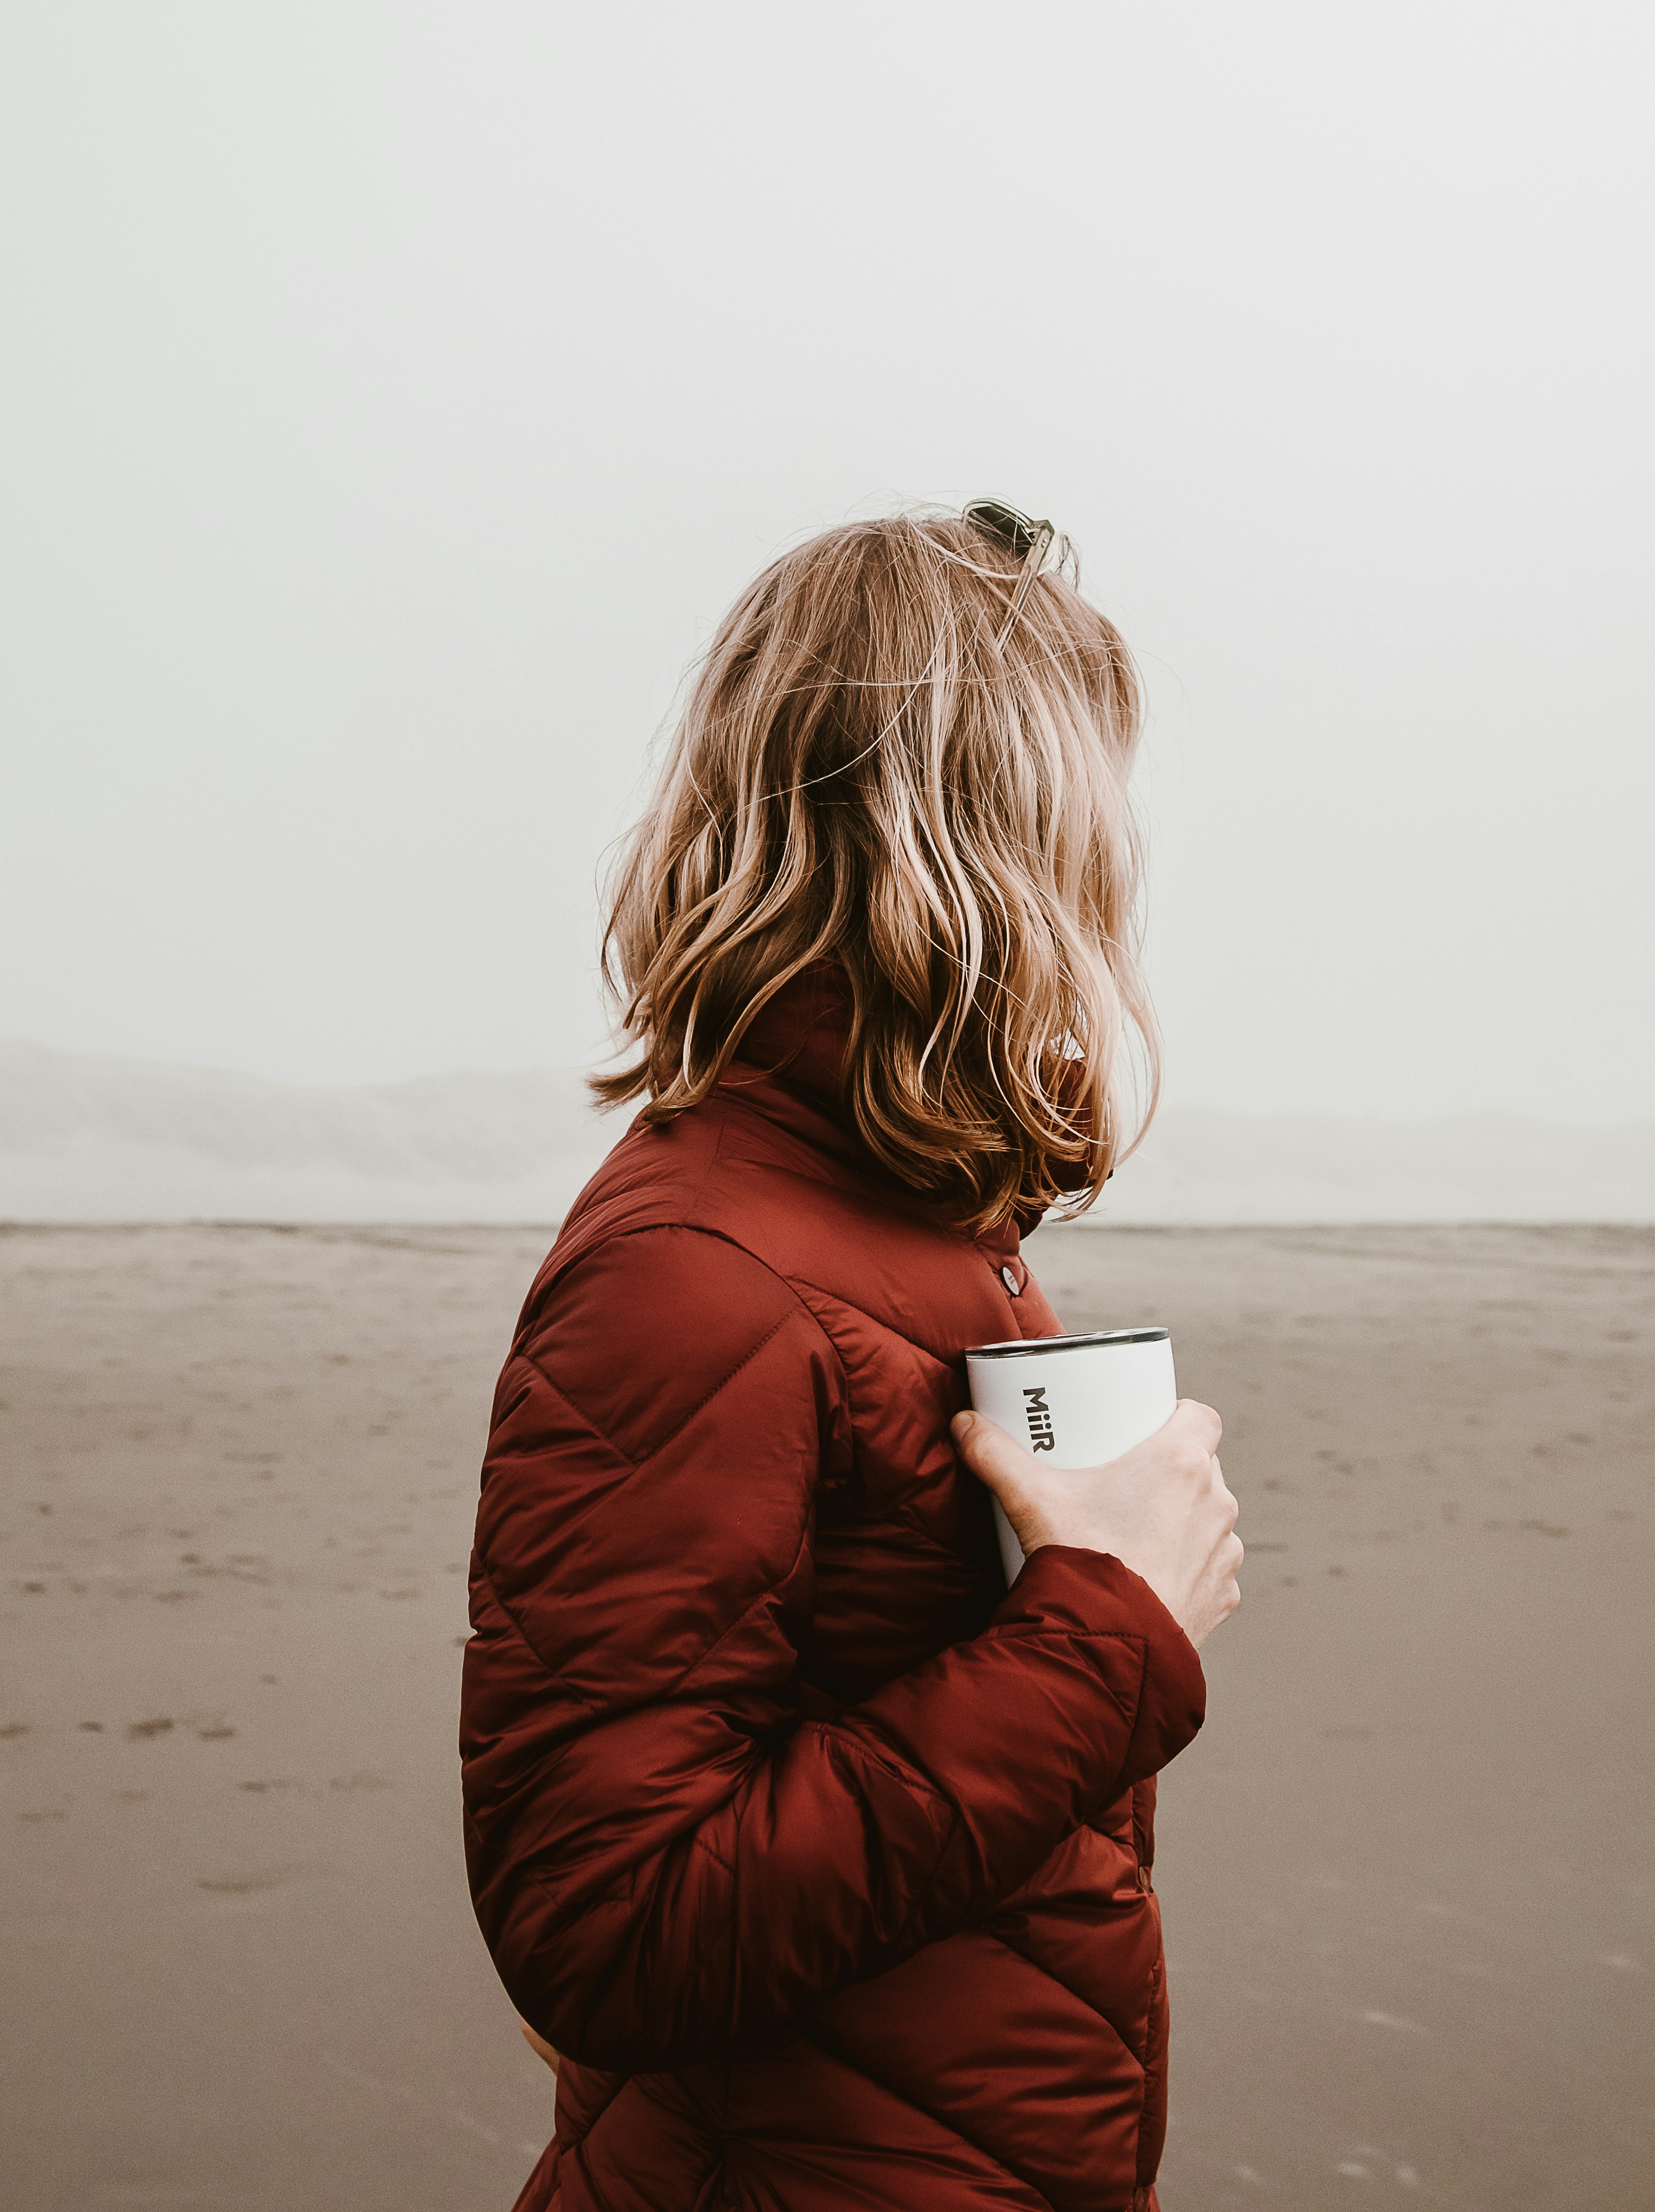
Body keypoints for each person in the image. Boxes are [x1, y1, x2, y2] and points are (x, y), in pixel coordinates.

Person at [460, 503, 1243, 2212]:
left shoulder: (907, 1210)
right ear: (997, 829)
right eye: (1096, 807)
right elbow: (607, 1927)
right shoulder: (694, 1277)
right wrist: (1106, 1632)